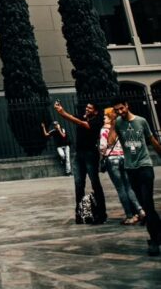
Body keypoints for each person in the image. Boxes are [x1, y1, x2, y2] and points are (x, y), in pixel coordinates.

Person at [110, 98, 161, 256]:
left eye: (121, 108)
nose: (120, 112)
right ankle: (158, 231)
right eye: (116, 110)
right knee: (146, 206)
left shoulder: (141, 121)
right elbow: (111, 141)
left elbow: (151, 140)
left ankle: (154, 240)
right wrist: (112, 123)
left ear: (127, 105)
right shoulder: (118, 123)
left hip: (145, 166)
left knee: (147, 202)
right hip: (130, 169)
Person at [55, 100, 106, 224]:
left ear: (96, 111)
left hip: (90, 154)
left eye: (90, 108)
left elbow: (83, 124)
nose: (87, 109)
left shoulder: (97, 121)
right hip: (79, 155)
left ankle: (101, 213)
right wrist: (60, 110)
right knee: (78, 184)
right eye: (86, 107)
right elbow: (71, 118)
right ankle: (80, 213)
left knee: (95, 183)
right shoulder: (83, 117)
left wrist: (65, 114)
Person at [99, 107, 144, 225]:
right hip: (123, 158)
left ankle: (129, 216)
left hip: (112, 159)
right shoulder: (121, 127)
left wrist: (102, 156)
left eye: (105, 115)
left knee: (120, 189)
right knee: (129, 187)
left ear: (109, 117)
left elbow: (103, 146)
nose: (103, 117)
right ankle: (140, 210)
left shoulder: (104, 129)